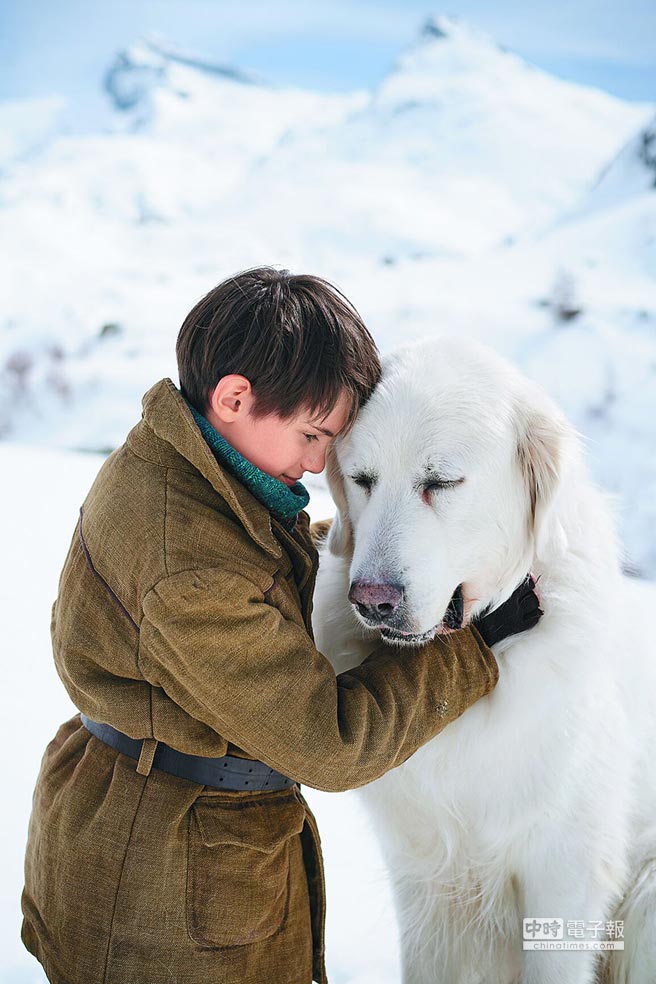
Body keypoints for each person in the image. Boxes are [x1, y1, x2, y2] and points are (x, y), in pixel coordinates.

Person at [21, 266, 542, 984]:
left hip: (142, 824)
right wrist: (473, 648)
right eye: (312, 433)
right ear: (235, 397)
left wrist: (395, 559)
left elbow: (250, 565)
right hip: (172, 884)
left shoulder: (183, 463)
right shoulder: (188, 565)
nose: (321, 460)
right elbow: (329, 745)